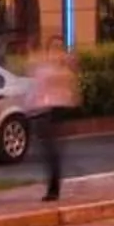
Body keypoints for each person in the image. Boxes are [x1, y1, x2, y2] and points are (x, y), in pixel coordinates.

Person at [26, 32, 80, 202]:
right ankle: (53, 187)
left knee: (52, 152)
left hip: (56, 110)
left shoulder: (61, 69)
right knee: (48, 152)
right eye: (53, 48)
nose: (56, 51)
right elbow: (36, 85)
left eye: (59, 48)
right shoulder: (45, 67)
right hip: (43, 111)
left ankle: (53, 190)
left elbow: (69, 88)